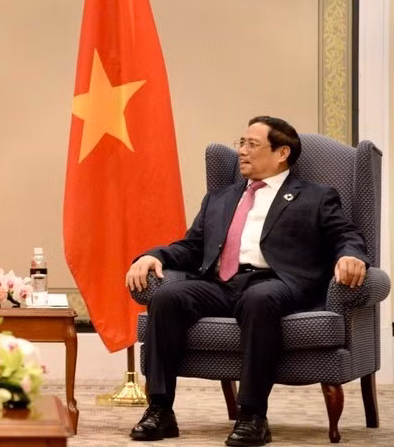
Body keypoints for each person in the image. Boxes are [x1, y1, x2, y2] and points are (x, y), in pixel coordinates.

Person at [126, 116, 369, 447]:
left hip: (277, 282)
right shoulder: (220, 198)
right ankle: (160, 410)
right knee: (166, 297)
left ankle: (253, 416)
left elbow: (346, 235)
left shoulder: (316, 196)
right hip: (220, 284)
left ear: (282, 153)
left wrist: (350, 256)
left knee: (259, 300)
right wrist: (154, 256)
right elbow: (192, 246)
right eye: (241, 143)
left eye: (252, 144)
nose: (241, 151)